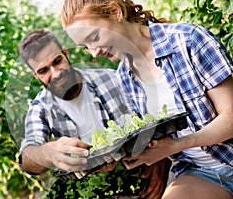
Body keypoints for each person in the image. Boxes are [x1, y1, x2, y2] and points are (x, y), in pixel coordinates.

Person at [61, 0, 233, 199]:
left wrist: (178, 145)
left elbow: (230, 117)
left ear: (116, 12)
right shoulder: (125, 76)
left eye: (94, 37)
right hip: (202, 172)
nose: (94, 52)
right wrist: (114, 156)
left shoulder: (189, 40)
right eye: (85, 47)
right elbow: (158, 135)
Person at [18, 29, 171, 198]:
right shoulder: (40, 108)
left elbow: (152, 119)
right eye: (43, 71)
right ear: (35, 75)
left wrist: (160, 161)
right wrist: (48, 153)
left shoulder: (111, 79)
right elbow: (28, 156)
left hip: (142, 174)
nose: (55, 73)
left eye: (57, 61)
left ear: (65, 54)